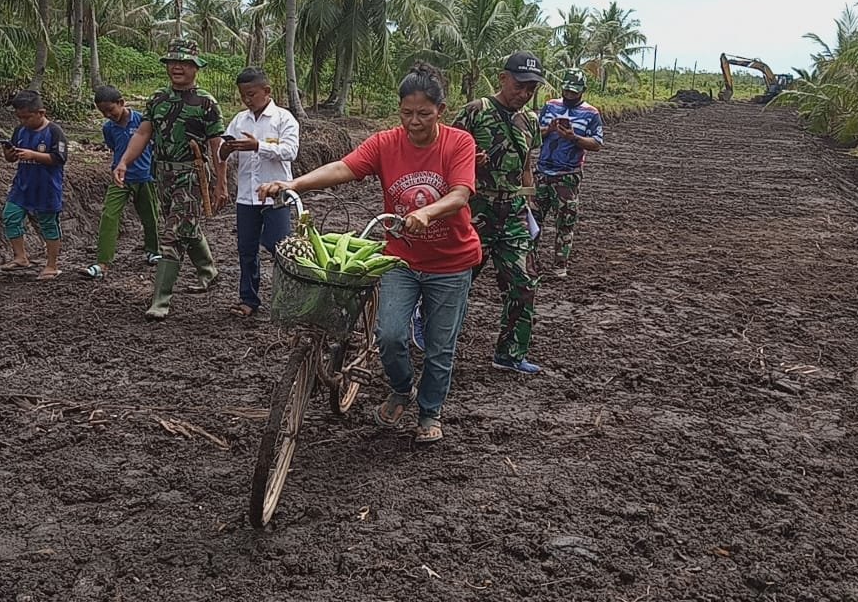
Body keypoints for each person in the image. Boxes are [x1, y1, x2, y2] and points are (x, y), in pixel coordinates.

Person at [257, 62, 479, 444]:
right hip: (400, 259)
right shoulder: (386, 143)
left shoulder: (458, 143)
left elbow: (460, 193)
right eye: (407, 113)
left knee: (440, 347)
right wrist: (293, 183)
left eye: (423, 114)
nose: (414, 122)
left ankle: (429, 413)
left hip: (451, 262)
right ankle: (401, 389)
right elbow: (344, 167)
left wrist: (426, 211)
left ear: (440, 111)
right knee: (390, 335)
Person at [115, 40, 229, 320]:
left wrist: (221, 183)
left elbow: (218, 145)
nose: (178, 67)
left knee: (172, 236)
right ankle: (208, 272)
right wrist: (124, 162)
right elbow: (143, 134)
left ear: (195, 68)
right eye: (172, 62)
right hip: (162, 174)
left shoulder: (206, 103)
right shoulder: (157, 99)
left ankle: (160, 301)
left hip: (191, 174)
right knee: (184, 226)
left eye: (185, 63)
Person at [450, 51, 544, 374]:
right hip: (476, 209)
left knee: (524, 283)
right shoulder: (475, 112)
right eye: (520, 86)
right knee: (459, 281)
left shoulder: (531, 121)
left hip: (513, 209)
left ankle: (510, 354)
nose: (524, 94)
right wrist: (469, 164)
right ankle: (437, 340)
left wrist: (530, 206)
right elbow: (445, 157)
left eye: (531, 89)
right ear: (503, 78)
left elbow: (527, 165)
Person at [219, 67, 300, 318]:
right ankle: (248, 299)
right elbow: (223, 152)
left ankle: (285, 300)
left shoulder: (283, 119)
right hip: (246, 196)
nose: (247, 99)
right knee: (246, 248)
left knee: (281, 248)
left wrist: (259, 146)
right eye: (243, 95)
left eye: (251, 94)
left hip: (276, 195)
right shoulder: (240, 120)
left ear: (267, 91)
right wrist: (226, 149)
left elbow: (290, 151)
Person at [83, 85, 161, 279]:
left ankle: (153, 250)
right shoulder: (108, 128)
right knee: (109, 216)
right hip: (120, 178)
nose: (108, 115)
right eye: (103, 112)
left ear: (121, 103)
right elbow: (113, 147)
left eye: (111, 110)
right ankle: (102, 262)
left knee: (150, 215)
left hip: (145, 176)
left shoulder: (143, 121)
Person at [534, 68, 603, 278]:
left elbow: (596, 143)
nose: (570, 95)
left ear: (583, 91)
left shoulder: (591, 113)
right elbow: (533, 134)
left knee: (565, 222)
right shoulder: (550, 106)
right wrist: (550, 130)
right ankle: (531, 263)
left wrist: (574, 138)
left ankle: (560, 264)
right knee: (533, 219)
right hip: (543, 172)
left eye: (574, 92)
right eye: (567, 90)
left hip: (568, 174)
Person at [0, 90, 68, 280]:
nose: (23, 122)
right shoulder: (19, 131)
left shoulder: (54, 131)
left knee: (48, 224)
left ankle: (52, 265)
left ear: (41, 113)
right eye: (19, 117)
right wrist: (10, 154)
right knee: (10, 216)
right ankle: (20, 257)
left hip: (47, 187)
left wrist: (33, 155)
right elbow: (10, 158)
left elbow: (59, 158)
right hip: (22, 185)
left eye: (27, 117)